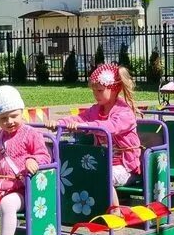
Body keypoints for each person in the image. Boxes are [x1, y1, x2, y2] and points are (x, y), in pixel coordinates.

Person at [46, 63, 141, 208]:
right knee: (75, 169)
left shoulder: (124, 112)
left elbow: (110, 127)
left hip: (125, 168)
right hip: (101, 162)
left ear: (115, 89)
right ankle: (75, 207)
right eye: (93, 91)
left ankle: (115, 211)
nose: (96, 94)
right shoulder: (96, 110)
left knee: (102, 173)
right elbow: (79, 119)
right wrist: (60, 123)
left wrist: (84, 127)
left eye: (100, 90)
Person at [0, 86, 52, 235]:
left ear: (22, 112)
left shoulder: (31, 134)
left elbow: (45, 156)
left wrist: (33, 160)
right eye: (3, 118)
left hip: (23, 190)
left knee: (8, 204)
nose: (9, 121)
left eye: (14, 116)